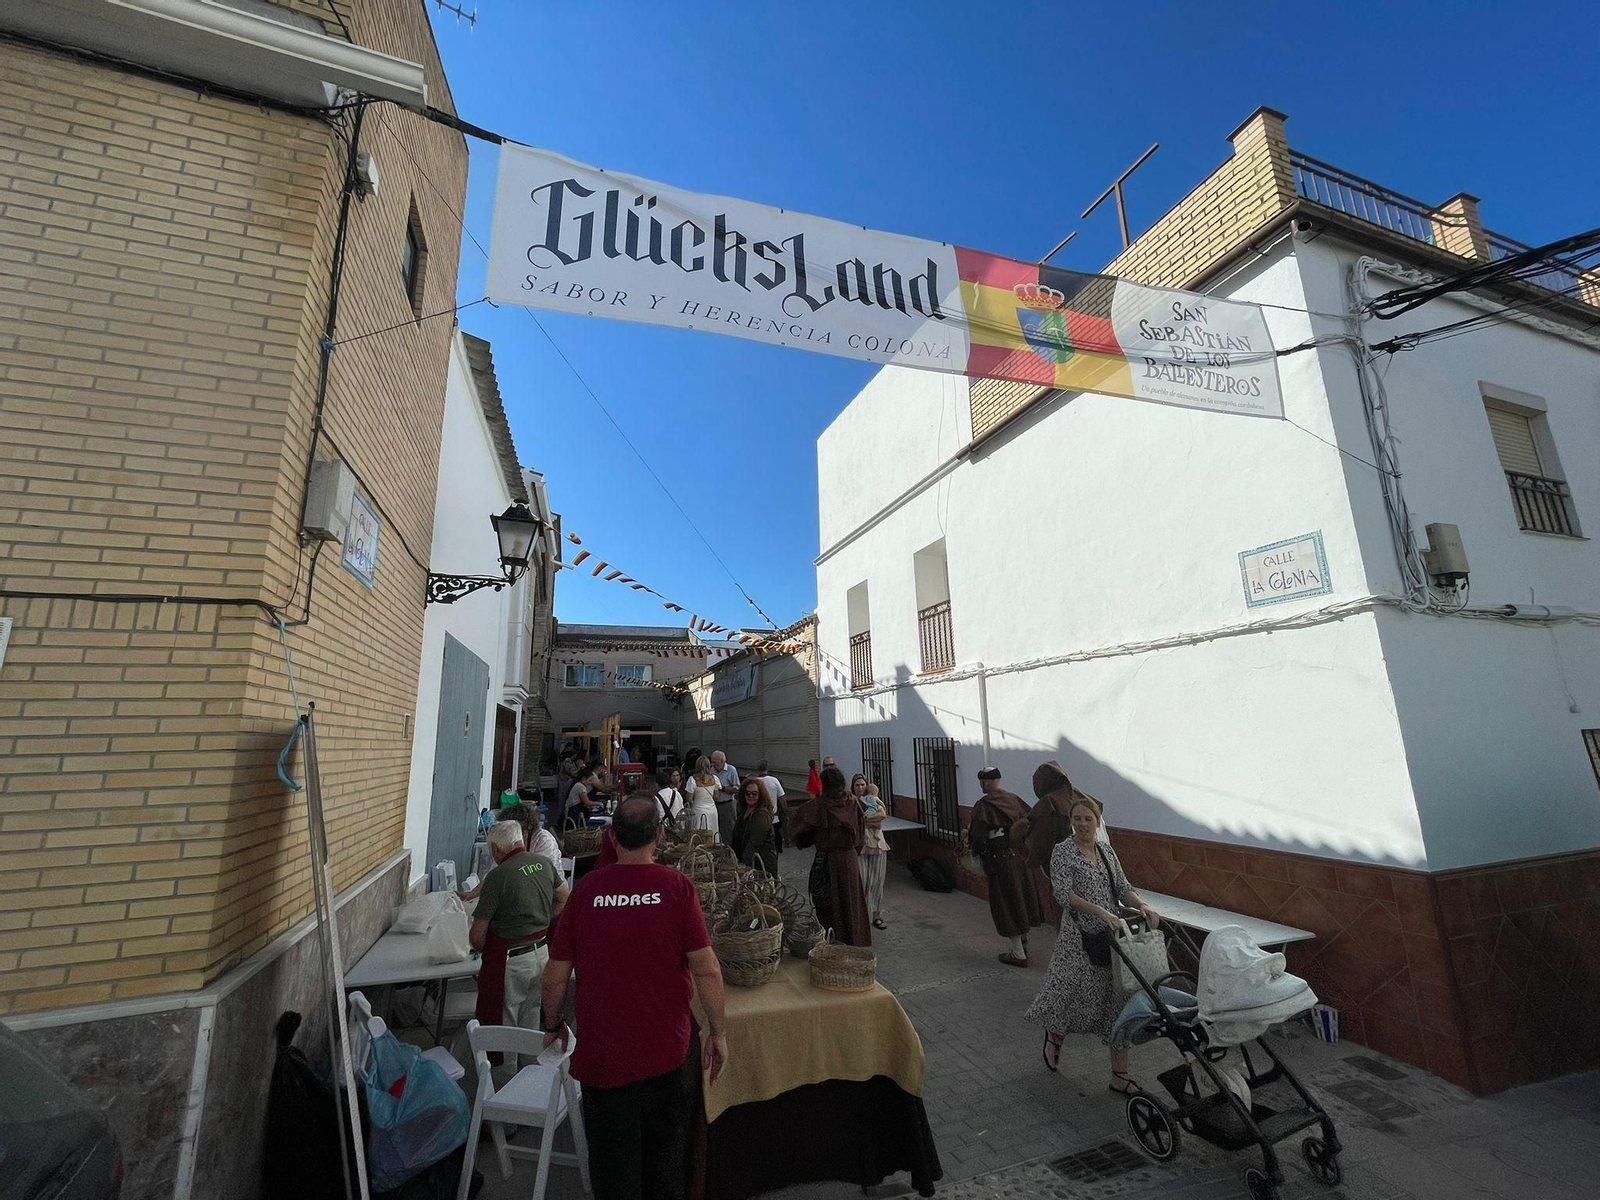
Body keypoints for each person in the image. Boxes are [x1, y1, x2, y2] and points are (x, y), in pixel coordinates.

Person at [541, 797, 727, 1200]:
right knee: (664, 1167)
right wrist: (718, 1031)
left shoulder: (586, 890)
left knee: (613, 1173)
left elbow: (555, 977)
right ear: (660, 836)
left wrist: (553, 1023)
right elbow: (708, 968)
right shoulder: (677, 888)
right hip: (666, 1056)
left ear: (611, 836)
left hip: (604, 1060)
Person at [1025, 793, 1161, 1089]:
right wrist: (1099, 910)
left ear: (1098, 822)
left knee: (1117, 1002)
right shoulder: (1063, 852)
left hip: (1111, 939)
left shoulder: (1106, 852)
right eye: (1077, 819)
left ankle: (1120, 1076)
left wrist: (1142, 906)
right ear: (1071, 822)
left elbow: (1123, 887)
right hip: (1078, 939)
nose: (1083, 824)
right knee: (1068, 995)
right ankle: (1055, 1035)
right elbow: (1062, 894)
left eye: (1089, 819)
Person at [470, 820, 569, 1035]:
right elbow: (564, 897)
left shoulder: (497, 877)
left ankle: (508, 1070)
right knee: (531, 1015)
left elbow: (477, 936)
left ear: (495, 849)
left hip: (511, 962)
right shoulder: (543, 864)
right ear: (520, 840)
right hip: (541, 954)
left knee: (507, 1024)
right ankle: (530, 1064)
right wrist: (542, 918)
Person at [969, 766, 1043, 967]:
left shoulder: (983, 806)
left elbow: (978, 837)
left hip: (999, 862)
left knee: (1006, 904)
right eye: (981, 781)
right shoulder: (1014, 800)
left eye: (985, 781)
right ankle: (1023, 942)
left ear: (992, 782)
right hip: (1020, 860)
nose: (983, 785)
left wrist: (976, 854)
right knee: (1021, 898)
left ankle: (1018, 953)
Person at [790, 765, 871, 947]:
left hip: (828, 859)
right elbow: (860, 836)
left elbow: (799, 834)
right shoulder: (853, 803)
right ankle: (851, 943)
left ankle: (833, 945)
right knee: (850, 902)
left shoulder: (818, 805)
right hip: (849, 859)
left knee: (829, 904)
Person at [853, 773, 889, 931]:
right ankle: (861, 916)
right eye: (857, 785)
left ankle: (876, 914)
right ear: (853, 787)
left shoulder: (871, 800)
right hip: (860, 846)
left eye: (862, 784)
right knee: (862, 880)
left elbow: (881, 815)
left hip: (877, 844)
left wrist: (863, 821)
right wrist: (868, 822)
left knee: (877, 881)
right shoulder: (851, 802)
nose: (860, 787)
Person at [730, 777, 775, 873]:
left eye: (754, 793)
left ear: (760, 795)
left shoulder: (762, 815)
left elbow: (755, 842)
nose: (751, 796)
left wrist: (742, 865)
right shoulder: (743, 814)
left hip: (760, 867)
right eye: (748, 793)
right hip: (744, 864)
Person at [754, 759, 786, 853]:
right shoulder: (774, 781)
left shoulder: (753, 782)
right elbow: (782, 799)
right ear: (767, 769)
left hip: (757, 818)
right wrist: (784, 814)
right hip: (773, 817)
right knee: (775, 840)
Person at [685, 756, 720, 838]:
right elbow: (716, 797)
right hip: (712, 811)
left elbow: (689, 798)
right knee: (713, 834)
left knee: (699, 836)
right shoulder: (715, 779)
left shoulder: (692, 780)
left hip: (698, 811)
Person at [709, 751, 739, 844]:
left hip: (727, 805)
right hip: (714, 805)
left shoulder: (731, 770)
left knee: (729, 830)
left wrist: (723, 788)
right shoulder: (711, 771)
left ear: (722, 761)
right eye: (712, 762)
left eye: (715, 762)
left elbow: (737, 788)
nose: (713, 764)